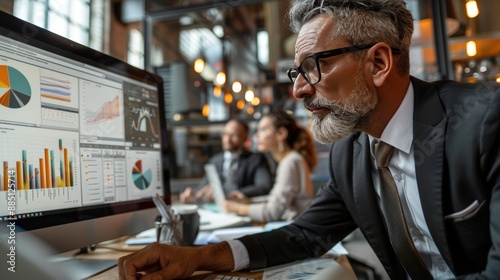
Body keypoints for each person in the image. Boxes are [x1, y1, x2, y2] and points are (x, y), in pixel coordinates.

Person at [118, 1, 500, 279]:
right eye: (296, 72)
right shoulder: (350, 153)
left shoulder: (485, 123)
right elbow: (305, 235)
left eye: (314, 66)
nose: (299, 89)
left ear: (379, 63)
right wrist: (195, 257)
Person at [223, 109, 317, 222]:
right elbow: (276, 201)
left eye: (263, 130)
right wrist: (248, 201)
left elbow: (272, 212)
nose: (256, 136)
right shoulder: (291, 159)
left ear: (281, 134)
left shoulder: (290, 162)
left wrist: (237, 208)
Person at [179, 119, 273, 203]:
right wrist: (194, 194)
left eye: (234, 135)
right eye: (225, 134)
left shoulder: (255, 159)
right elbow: (204, 186)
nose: (227, 139)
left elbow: (263, 187)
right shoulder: (215, 161)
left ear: (245, 138)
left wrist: (229, 193)